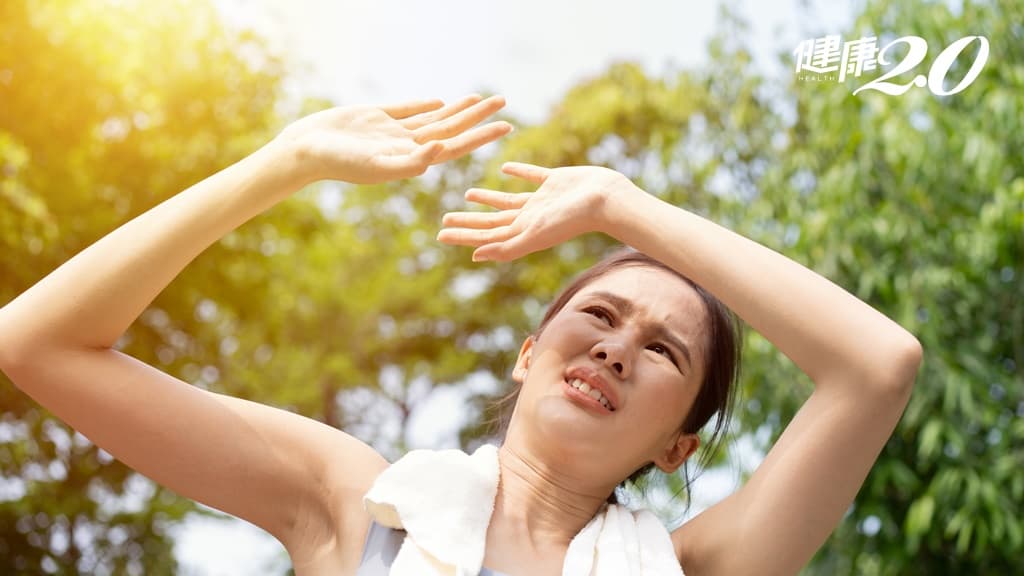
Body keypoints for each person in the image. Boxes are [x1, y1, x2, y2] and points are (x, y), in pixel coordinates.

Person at [0, 94, 922, 575]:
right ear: (530, 354)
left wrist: (620, 205)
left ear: (681, 446)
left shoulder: (696, 567)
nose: (615, 348)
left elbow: (879, 365)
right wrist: (284, 162)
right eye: (598, 316)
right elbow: (39, 345)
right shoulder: (360, 505)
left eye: (663, 352)